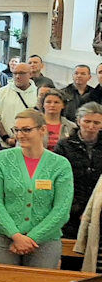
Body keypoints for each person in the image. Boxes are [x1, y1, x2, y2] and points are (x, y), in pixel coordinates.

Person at [0, 109, 73, 282]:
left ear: (42, 130)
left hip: (45, 238)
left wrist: (31, 237)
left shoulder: (60, 164)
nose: (20, 135)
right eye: (17, 130)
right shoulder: (2, 159)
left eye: (26, 129)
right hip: (3, 236)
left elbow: (61, 210)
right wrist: (15, 235)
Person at [54, 102, 102, 241]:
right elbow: (60, 182)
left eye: (96, 122)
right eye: (87, 121)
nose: (91, 126)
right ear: (78, 121)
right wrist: (79, 211)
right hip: (71, 213)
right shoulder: (64, 146)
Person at [0, 63, 39, 147]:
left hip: (29, 145)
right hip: (2, 144)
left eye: (22, 73)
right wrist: (6, 138)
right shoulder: (2, 92)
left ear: (30, 74)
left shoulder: (38, 93)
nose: (17, 76)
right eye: (15, 73)